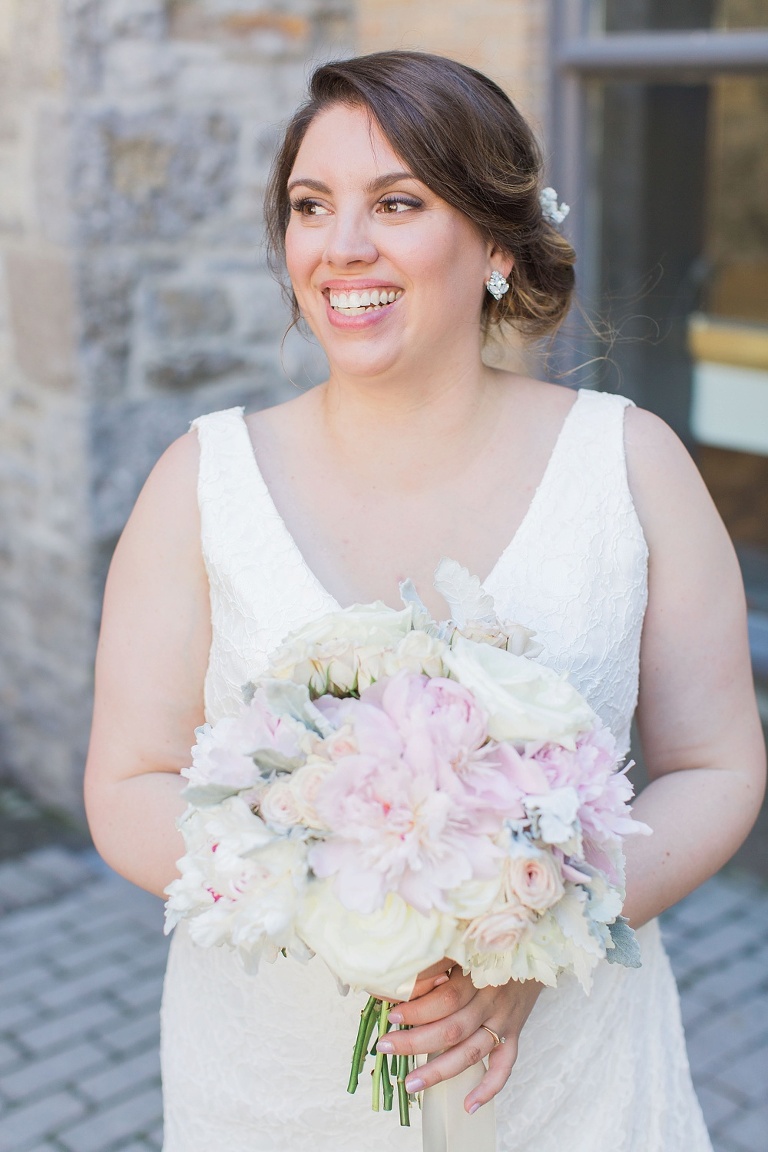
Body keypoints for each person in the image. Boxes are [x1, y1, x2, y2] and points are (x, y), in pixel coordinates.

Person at [84, 51, 765, 1152]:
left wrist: (541, 929)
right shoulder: (201, 482)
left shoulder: (631, 468)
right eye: (312, 207)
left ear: (497, 242)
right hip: (276, 1082)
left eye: (396, 203)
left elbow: (720, 767)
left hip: (571, 1087)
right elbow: (126, 783)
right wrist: (337, 892)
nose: (341, 246)